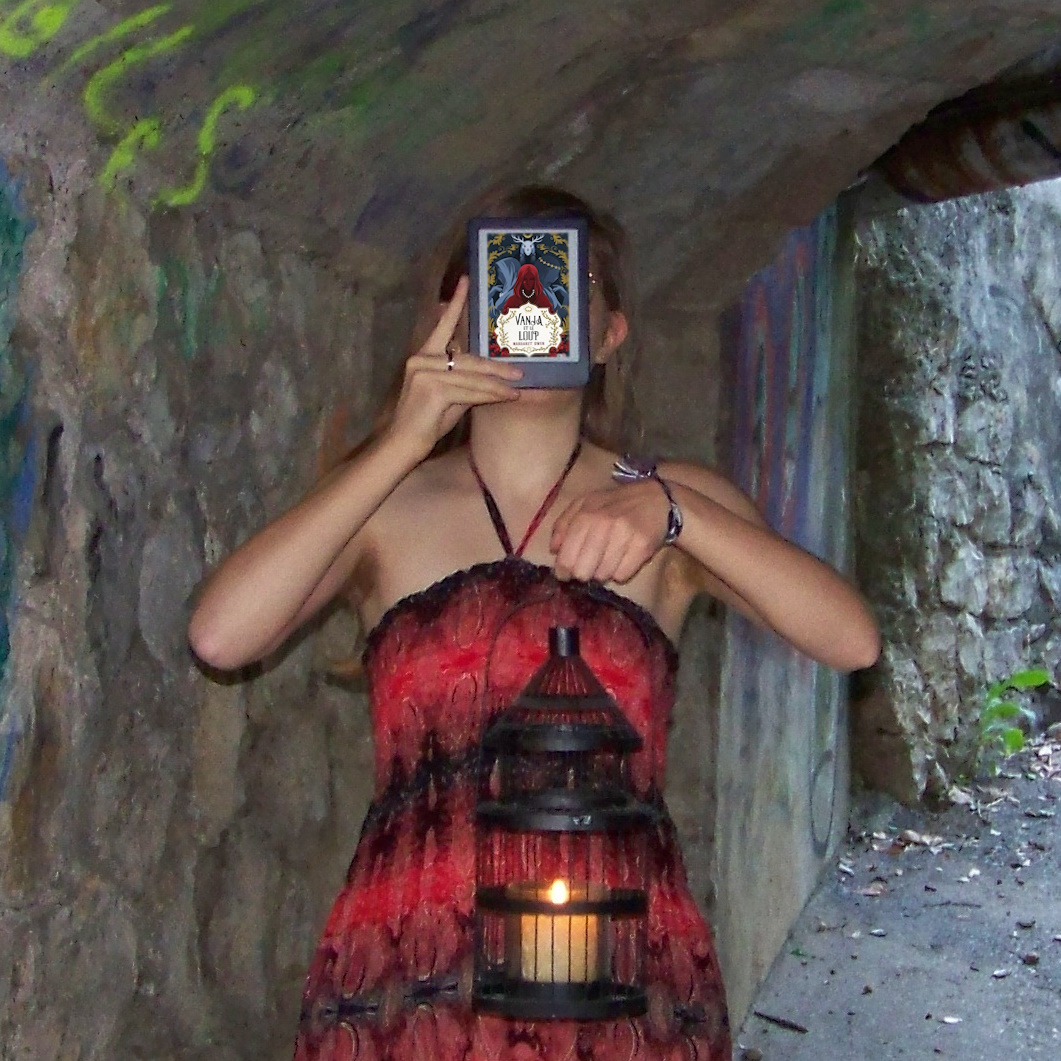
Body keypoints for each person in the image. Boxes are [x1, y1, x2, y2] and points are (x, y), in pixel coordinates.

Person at [188, 186, 881, 1061]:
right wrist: (402, 441)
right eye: (499, 278)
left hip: (622, 986)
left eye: (557, 279)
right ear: (454, 315)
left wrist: (672, 513)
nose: (526, 298)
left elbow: (849, 638)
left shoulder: (668, 503)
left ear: (608, 332)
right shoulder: (384, 506)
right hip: (409, 983)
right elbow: (219, 635)